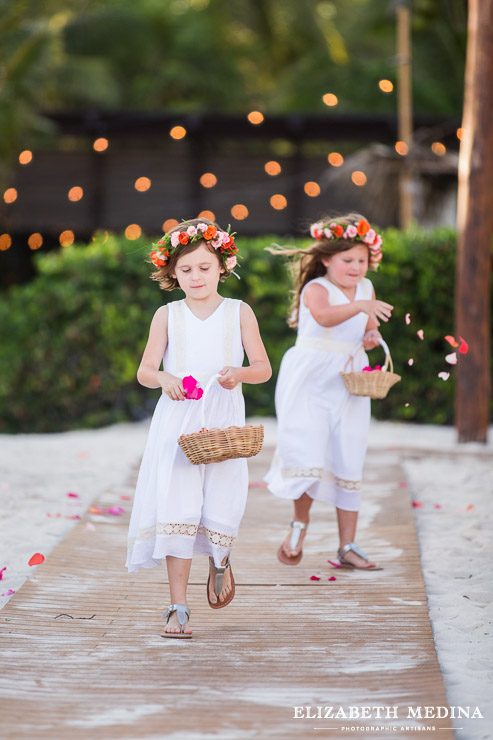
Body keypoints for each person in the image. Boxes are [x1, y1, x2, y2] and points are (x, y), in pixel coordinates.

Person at [126, 218, 271, 638]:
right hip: (178, 421)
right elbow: (145, 371)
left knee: (222, 500)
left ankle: (220, 559)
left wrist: (238, 375)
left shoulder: (239, 312)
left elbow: (263, 368)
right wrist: (165, 379)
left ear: (222, 266)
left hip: (223, 419)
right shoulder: (167, 315)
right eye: (186, 269)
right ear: (172, 272)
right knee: (179, 508)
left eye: (204, 267)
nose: (196, 277)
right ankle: (178, 605)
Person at [264, 214, 393, 570]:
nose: (356, 268)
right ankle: (298, 526)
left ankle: (347, 545)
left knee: (349, 454)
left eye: (362, 261)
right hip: (310, 378)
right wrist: (361, 307)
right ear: (325, 259)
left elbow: (368, 330)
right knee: (308, 451)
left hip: (348, 379)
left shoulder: (366, 289)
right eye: (347, 260)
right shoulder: (316, 288)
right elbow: (323, 318)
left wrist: (372, 337)